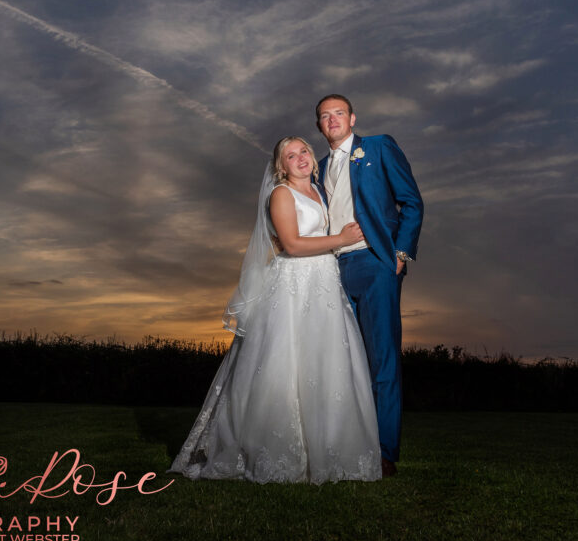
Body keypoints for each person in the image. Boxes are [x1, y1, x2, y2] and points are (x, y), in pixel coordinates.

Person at [169, 136, 381, 483]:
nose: (299, 158)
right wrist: (340, 240)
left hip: (323, 284)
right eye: (290, 155)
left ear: (313, 158)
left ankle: (326, 448)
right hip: (295, 285)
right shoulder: (281, 194)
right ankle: (272, 450)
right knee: (285, 362)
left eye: (303, 152)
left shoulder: (318, 191)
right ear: (281, 166)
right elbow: (293, 245)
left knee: (324, 362)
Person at [316, 94, 423, 478]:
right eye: (325, 116)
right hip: (332, 269)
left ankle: (383, 452)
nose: (332, 120)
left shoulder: (378, 147)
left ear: (352, 118)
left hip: (376, 262)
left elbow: (411, 201)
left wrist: (401, 254)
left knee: (382, 359)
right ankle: (347, 445)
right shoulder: (320, 167)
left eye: (338, 113)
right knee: (343, 361)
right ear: (319, 126)